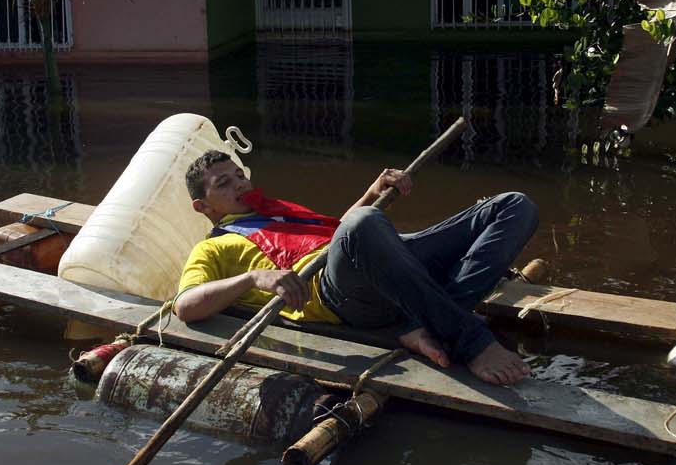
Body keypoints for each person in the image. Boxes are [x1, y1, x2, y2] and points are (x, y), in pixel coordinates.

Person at [173, 149, 539, 386]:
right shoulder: (213, 247)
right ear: (202, 206)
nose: (240, 184)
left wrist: (373, 191)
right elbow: (185, 306)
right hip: (341, 296)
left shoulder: (276, 209)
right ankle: (469, 340)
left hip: (379, 264)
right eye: (225, 183)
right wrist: (254, 277)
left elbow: (337, 234)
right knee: (363, 223)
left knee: (513, 206)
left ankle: (423, 321)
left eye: (240, 175)